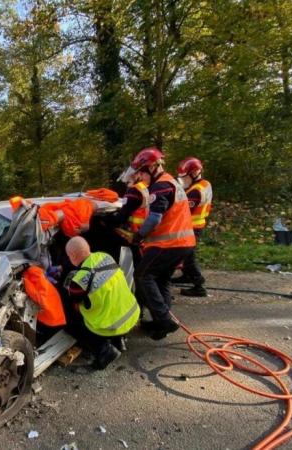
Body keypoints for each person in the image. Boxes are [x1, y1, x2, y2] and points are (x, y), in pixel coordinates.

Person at [121, 147, 196, 340]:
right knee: (161, 279)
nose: (141, 178)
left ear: (152, 167)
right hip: (184, 243)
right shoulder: (171, 182)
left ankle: (164, 320)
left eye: (142, 173)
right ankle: (160, 323)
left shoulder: (160, 186)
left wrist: (139, 236)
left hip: (170, 244)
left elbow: (154, 218)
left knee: (143, 275)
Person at [64, 236, 140, 370]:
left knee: (71, 322)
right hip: (131, 314)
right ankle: (119, 340)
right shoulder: (105, 257)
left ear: (73, 255)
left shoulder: (79, 280)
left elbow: (74, 302)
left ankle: (104, 351)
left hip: (111, 325)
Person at [173, 157, 213, 297]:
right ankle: (187, 276)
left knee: (188, 256)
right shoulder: (204, 184)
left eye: (185, 178)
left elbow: (183, 210)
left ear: (195, 173)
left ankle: (199, 285)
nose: (183, 181)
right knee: (186, 255)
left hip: (191, 227)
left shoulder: (195, 191)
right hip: (195, 225)